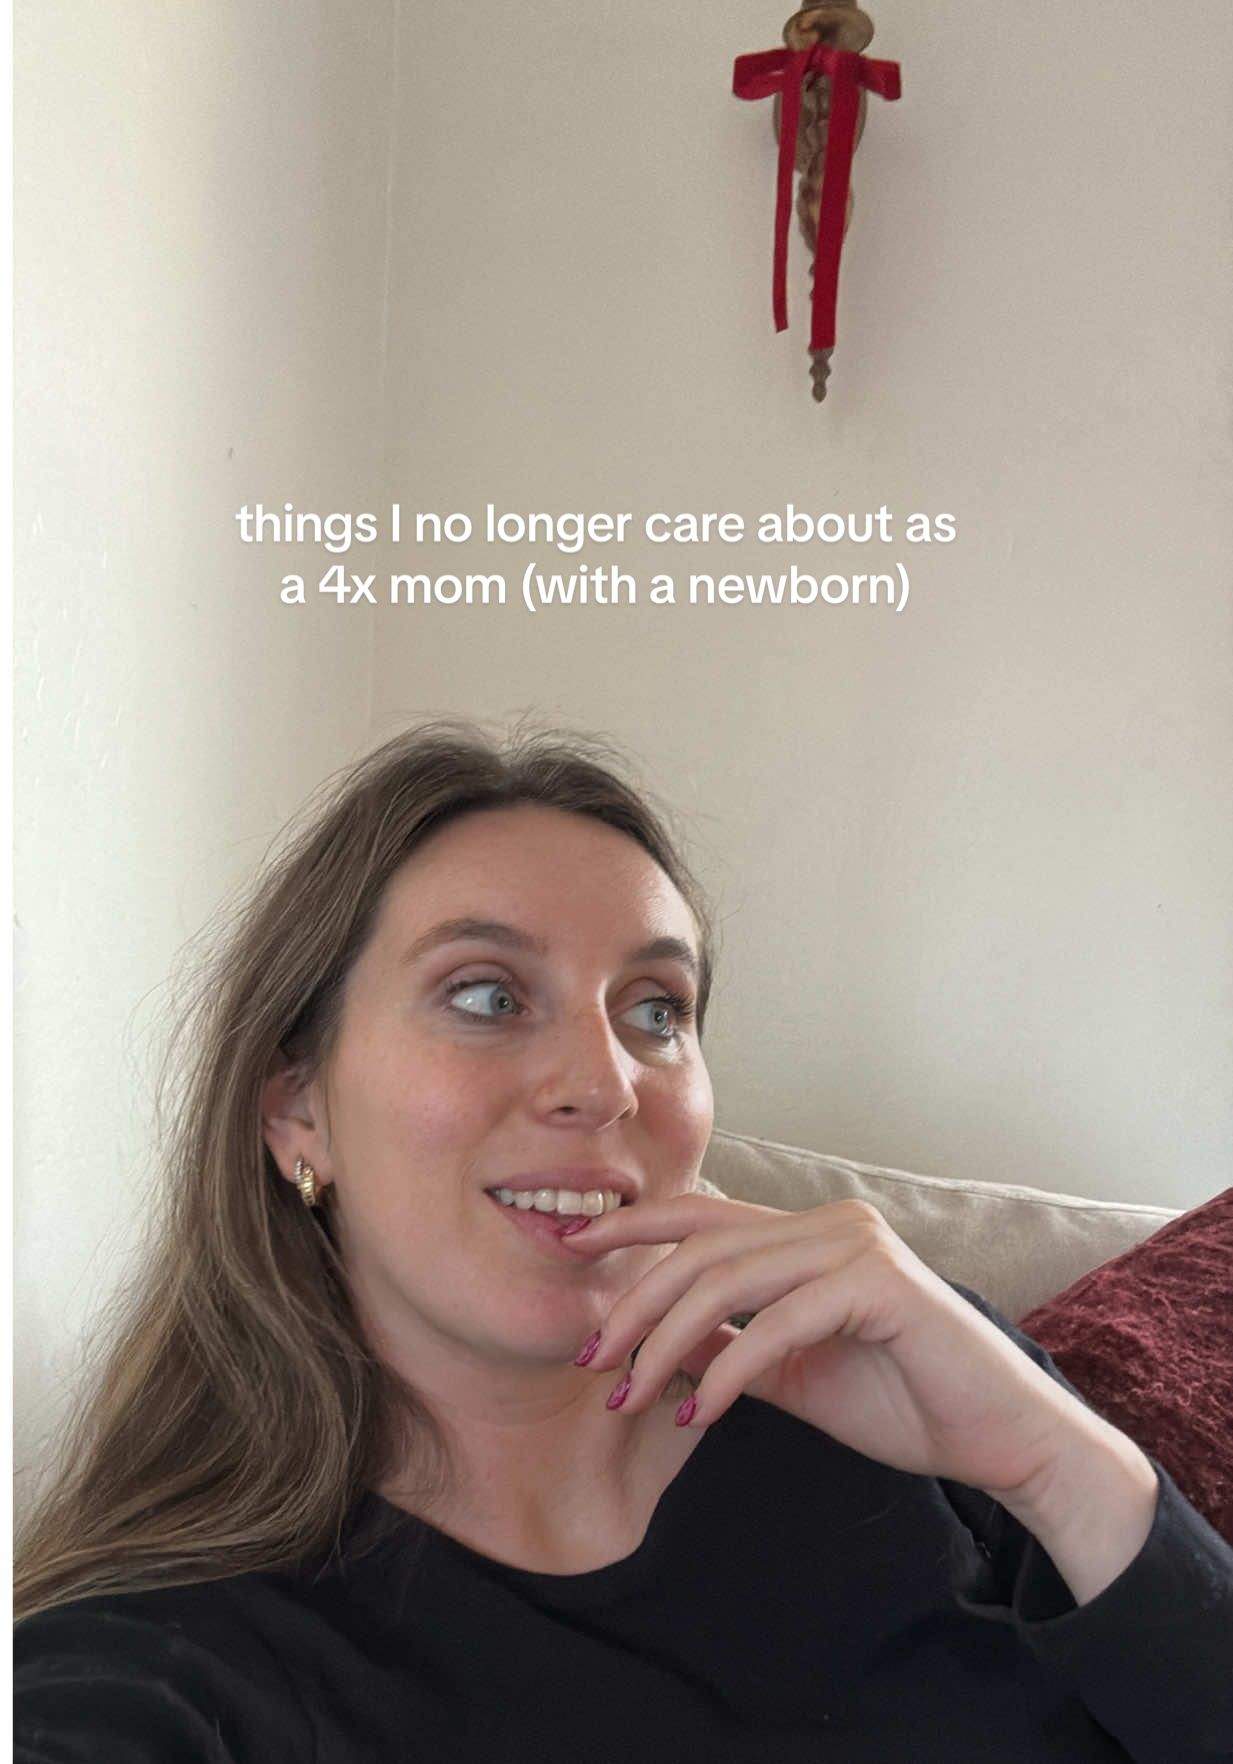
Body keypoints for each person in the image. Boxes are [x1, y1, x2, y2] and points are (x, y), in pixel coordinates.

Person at [14, 721, 1233, 1764]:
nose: (606, 1084)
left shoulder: (918, 1387)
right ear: (297, 1109)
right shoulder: (160, 1670)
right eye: (487, 995)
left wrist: (1051, 1464)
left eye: (656, 1011)